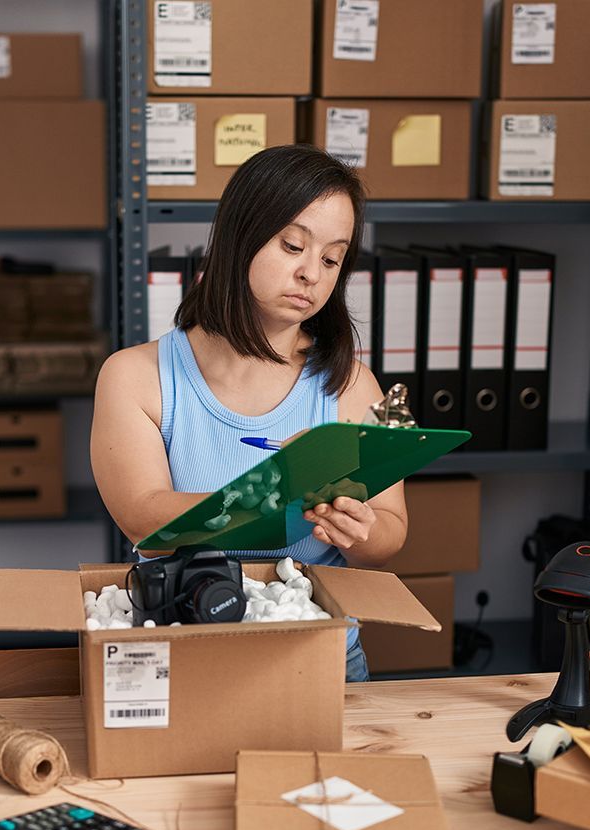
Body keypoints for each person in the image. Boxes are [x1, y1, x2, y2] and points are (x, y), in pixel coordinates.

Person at [90, 144, 407, 682]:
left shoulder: (352, 384)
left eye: (332, 259)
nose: (312, 273)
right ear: (240, 237)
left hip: (318, 650)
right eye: (292, 246)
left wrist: (358, 524)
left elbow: (390, 535)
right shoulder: (134, 376)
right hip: (180, 646)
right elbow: (142, 515)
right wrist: (284, 490)